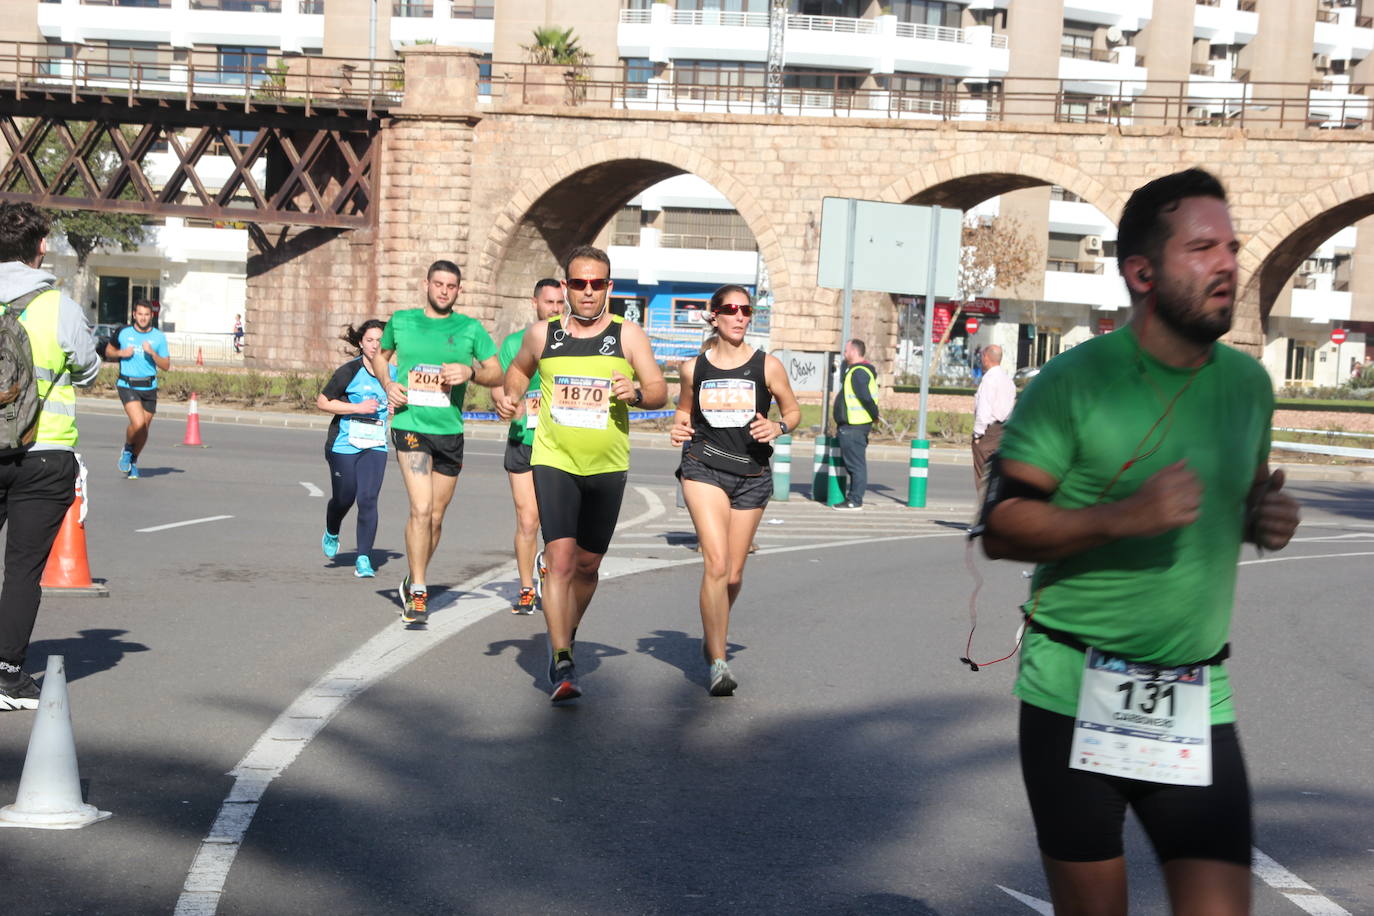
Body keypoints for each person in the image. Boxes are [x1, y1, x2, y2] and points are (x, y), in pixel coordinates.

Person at [980, 169, 1301, 916]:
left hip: (1196, 696)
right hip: (1074, 693)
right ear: (1142, 271)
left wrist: (1265, 521)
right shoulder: (1072, 383)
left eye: (1232, 245)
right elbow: (1001, 527)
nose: (1227, 263)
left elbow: (1248, 499)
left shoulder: (1249, 388)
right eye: (1202, 247)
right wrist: (1123, 516)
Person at [497, 245, 667, 702]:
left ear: (609, 288)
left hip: (608, 467)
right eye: (579, 283)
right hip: (553, 461)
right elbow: (517, 370)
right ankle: (562, 659)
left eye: (597, 284)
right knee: (562, 562)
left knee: (589, 568)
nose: (588, 292)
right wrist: (509, 394)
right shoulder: (542, 335)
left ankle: (565, 633)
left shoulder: (628, 335)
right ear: (566, 286)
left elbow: (659, 390)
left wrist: (636, 392)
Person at [669, 285, 800, 696]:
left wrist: (778, 426)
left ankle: (714, 630)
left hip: (752, 475)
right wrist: (678, 426)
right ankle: (718, 659)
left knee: (734, 573)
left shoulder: (768, 366)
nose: (741, 316)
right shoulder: (694, 368)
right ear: (714, 315)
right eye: (731, 309)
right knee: (717, 563)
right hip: (703, 467)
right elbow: (684, 409)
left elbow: (793, 410)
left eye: (747, 310)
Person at [0, 202, 100, 710]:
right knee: (21, 570)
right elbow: (86, 370)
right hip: (44, 451)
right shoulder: (57, 306)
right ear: (40, 247)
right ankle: (7, 676)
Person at [371, 260, 502, 627]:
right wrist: (388, 383)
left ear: (458, 290)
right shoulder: (402, 320)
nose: (444, 291)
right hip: (411, 423)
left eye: (451, 286)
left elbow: (497, 372)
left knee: (437, 516)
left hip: (449, 431)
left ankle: (414, 577)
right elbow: (381, 357)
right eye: (438, 284)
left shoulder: (469, 329)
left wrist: (471, 372)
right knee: (422, 507)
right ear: (426, 284)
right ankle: (418, 594)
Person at [498, 278, 565, 615]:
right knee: (528, 520)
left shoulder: (572, 341)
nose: (554, 308)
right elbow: (501, 386)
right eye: (549, 302)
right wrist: (509, 402)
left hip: (560, 445)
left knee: (555, 523)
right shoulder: (515, 343)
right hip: (523, 440)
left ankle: (549, 567)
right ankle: (526, 587)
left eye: (559, 302)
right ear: (535, 302)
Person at [317, 320, 397, 579]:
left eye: (380, 340)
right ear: (361, 343)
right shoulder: (349, 372)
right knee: (345, 497)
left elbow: (404, 403)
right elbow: (323, 401)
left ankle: (364, 557)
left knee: (368, 499)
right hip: (344, 445)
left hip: (375, 445)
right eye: (370, 340)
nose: (375, 345)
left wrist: (398, 408)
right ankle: (332, 528)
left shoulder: (394, 374)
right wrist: (356, 408)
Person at [107, 300, 170, 480]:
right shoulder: (123, 332)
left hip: (149, 387)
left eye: (146, 314)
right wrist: (121, 353)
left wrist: (153, 354)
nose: (143, 318)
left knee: (143, 431)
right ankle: (127, 449)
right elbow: (109, 351)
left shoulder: (158, 337)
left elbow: (166, 365)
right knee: (138, 423)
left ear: (151, 316)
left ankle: (133, 461)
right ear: (134, 314)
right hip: (127, 384)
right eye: (140, 314)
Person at [832, 338, 879, 511]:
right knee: (854, 463)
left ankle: (854, 500)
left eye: (846, 350)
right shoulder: (855, 371)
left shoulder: (858, 372)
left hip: (854, 426)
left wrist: (875, 415)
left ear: (853, 351)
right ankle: (853, 498)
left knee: (856, 465)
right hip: (854, 425)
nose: (844, 354)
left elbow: (865, 398)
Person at [971, 344, 1015, 493]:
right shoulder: (1008, 380)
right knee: (999, 477)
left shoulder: (989, 380)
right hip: (1004, 431)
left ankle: (986, 511)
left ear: (986, 358)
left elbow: (984, 410)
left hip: (988, 432)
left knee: (983, 477)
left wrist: (978, 434)